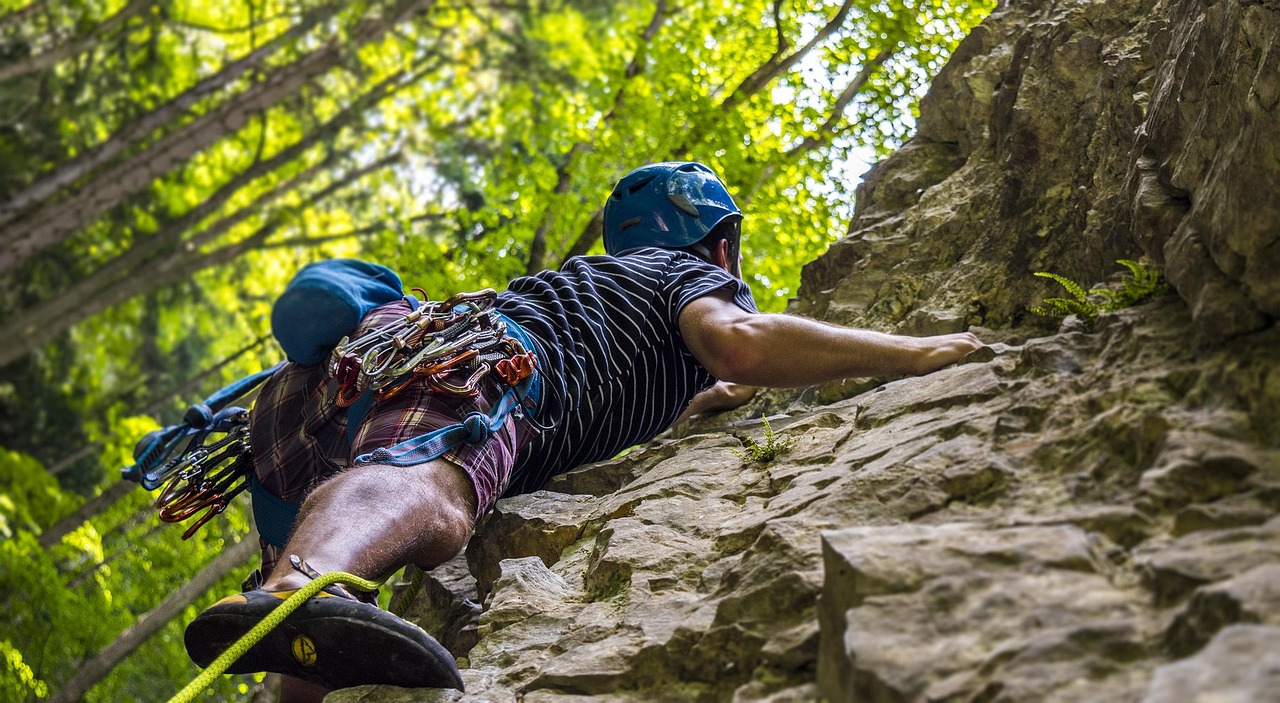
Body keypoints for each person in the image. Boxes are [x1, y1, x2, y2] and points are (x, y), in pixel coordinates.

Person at [183, 162, 983, 701]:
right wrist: (917, 353)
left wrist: (708, 399)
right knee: (438, 488)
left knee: (312, 634)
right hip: (479, 362)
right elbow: (739, 341)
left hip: (305, 410)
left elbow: (691, 389)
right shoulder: (687, 276)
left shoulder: (605, 297)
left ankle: (292, 620)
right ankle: (296, 585)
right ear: (722, 244)